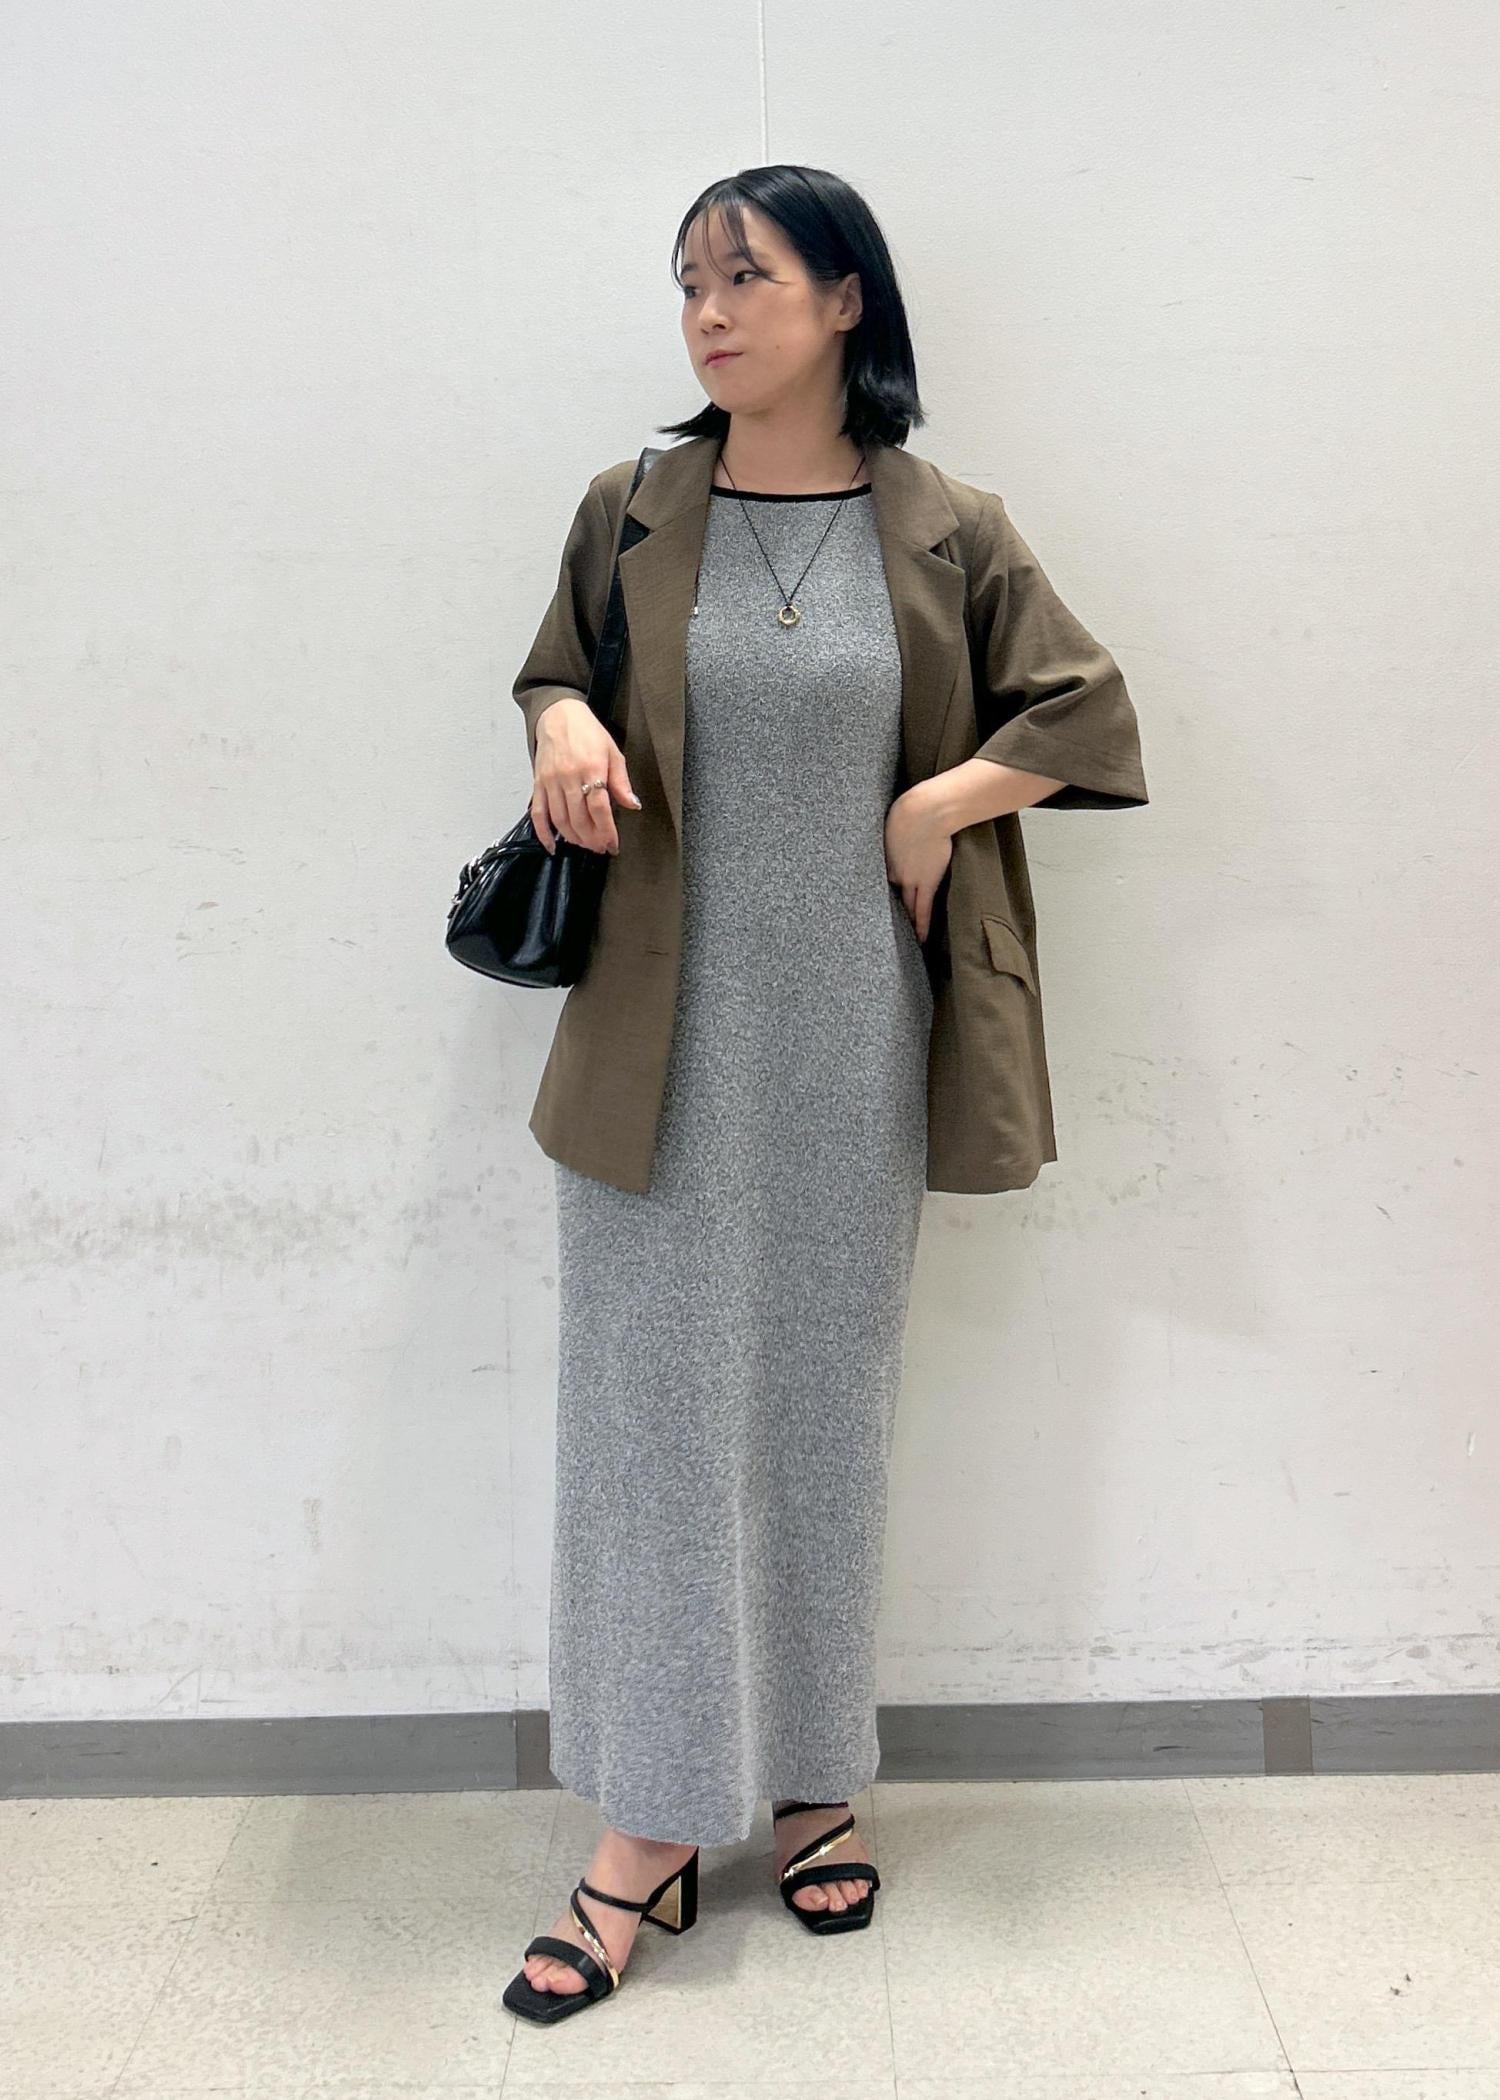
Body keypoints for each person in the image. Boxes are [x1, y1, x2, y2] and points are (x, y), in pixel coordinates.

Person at [501, 164, 1147, 2024]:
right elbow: (550, 671)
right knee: (650, 1434)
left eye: (748, 277)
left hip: (854, 1044)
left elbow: (1085, 709)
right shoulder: (634, 507)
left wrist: (942, 799)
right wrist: (561, 714)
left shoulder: (947, 527)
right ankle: (645, 1826)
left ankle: (809, 1780)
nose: (707, 313)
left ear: (846, 298)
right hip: (652, 1046)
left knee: (818, 1418)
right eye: (689, 282)